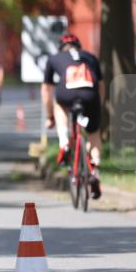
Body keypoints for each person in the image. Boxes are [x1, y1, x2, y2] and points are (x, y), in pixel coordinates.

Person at [42, 33, 104, 199]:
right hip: (91, 95)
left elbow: (47, 91)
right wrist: (98, 105)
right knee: (94, 134)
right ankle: (95, 170)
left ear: (61, 47)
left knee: (58, 104)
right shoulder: (90, 57)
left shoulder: (54, 58)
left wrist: (50, 116)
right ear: (79, 46)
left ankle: (64, 143)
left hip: (67, 93)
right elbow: (101, 85)